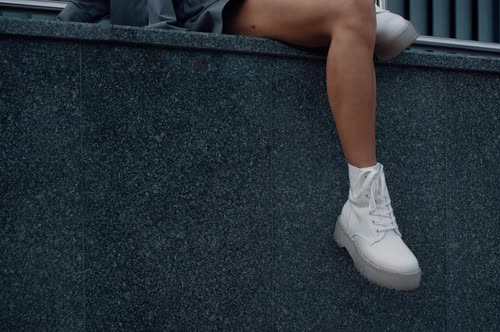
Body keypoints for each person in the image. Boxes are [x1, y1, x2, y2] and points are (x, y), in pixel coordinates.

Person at [57, 0, 422, 290]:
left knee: (353, 10)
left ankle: (356, 18)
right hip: (204, 9)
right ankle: (364, 206)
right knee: (351, 12)